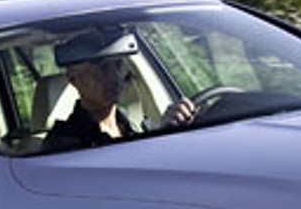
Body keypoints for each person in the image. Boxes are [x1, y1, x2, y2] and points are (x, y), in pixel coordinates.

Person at [41, 29, 195, 150]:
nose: (115, 76)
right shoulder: (62, 144)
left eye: (118, 65)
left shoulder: (139, 126)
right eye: (102, 68)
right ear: (73, 78)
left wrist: (167, 132)